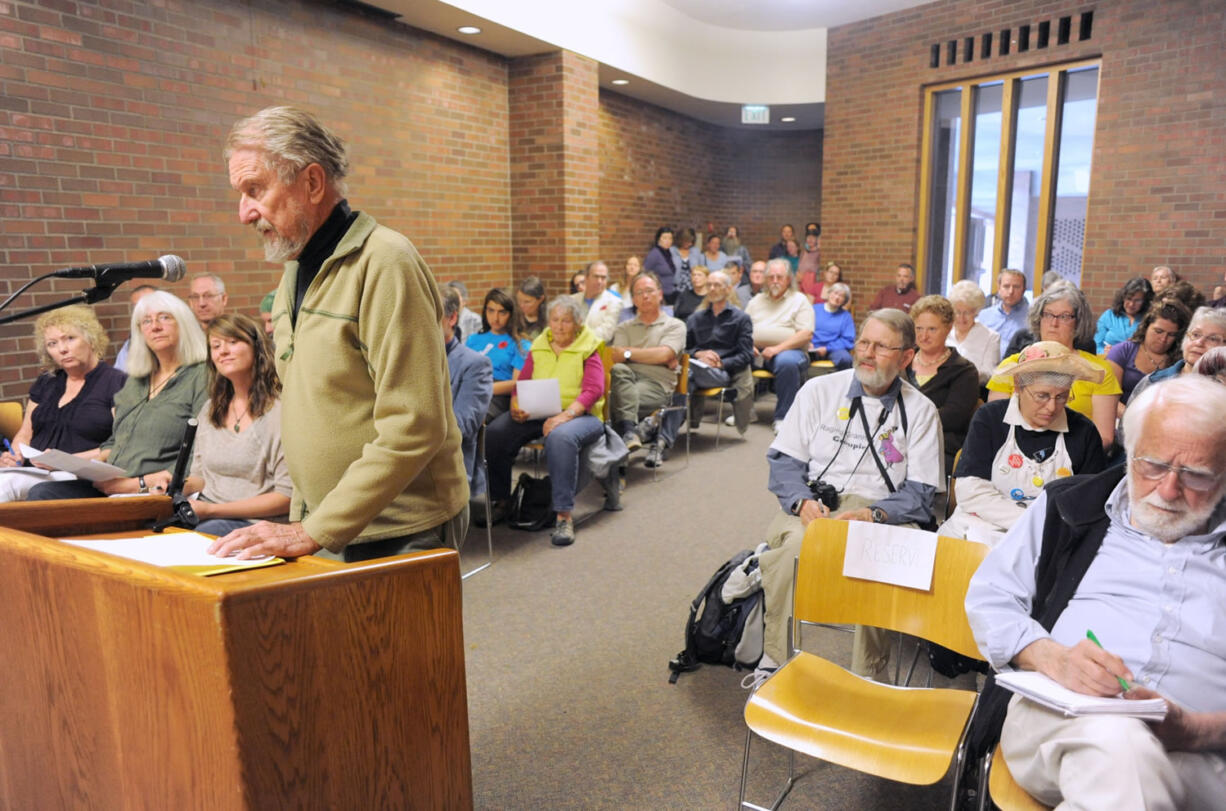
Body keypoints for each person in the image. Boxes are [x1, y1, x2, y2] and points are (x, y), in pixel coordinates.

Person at [211, 105, 468, 562]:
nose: (244, 213)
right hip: (327, 524)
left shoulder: (386, 262)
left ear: (311, 182)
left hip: (399, 526)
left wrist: (316, 529)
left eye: (255, 190)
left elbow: (416, 425)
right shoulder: (295, 269)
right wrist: (304, 518)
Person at [964, 376, 1226, 809]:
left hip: (1207, 753)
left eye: (1196, 476)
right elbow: (991, 599)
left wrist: (1198, 730)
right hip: (1064, 722)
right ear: (1128, 453)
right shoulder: (1071, 508)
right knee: (1118, 743)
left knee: (1119, 784)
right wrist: (1054, 657)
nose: (1168, 490)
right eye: (1153, 465)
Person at [756, 308, 943, 681]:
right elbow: (784, 461)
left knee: (877, 561)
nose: (867, 354)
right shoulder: (819, 390)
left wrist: (871, 515)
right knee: (793, 549)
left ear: (907, 357)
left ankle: (869, 676)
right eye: (863, 343)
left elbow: (922, 494)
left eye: (881, 347)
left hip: (884, 512)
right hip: (818, 505)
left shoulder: (921, 411)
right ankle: (774, 660)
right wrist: (802, 501)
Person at [27, 291, 208, 501]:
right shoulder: (138, 380)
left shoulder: (201, 376)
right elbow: (116, 441)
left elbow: (200, 454)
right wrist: (65, 461)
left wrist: (136, 484)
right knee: (42, 493)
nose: (155, 326)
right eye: (146, 321)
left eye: (165, 317)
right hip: (112, 482)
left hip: (153, 489)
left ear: (184, 323)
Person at [938, 342, 1108, 546]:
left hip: (1047, 537)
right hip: (980, 528)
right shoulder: (991, 418)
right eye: (1042, 396)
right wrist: (1028, 522)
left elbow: (1089, 502)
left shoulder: (1084, 431)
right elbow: (970, 491)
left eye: (1062, 397)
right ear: (1018, 386)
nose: (1052, 407)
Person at [141, 314, 292, 536]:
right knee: (143, 532)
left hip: (256, 522)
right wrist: (176, 485)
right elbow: (202, 477)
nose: (223, 351)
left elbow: (286, 498)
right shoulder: (211, 409)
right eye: (216, 345)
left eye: (233, 342)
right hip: (208, 513)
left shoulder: (281, 412)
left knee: (186, 541)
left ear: (257, 348)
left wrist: (212, 510)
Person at [484, 297, 606, 547]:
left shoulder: (588, 346)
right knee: (496, 432)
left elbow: (594, 390)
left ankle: (563, 515)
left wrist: (565, 415)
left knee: (560, 437)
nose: (559, 326)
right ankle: (501, 500)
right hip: (540, 410)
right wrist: (516, 405)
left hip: (581, 414)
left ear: (578, 323)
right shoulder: (540, 344)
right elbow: (524, 381)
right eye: (554, 320)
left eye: (566, 321)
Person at [0, 305, 127, 501]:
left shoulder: (116, 382)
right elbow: (25, 434)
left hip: (82, 476)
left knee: (6, 487)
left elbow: (122, 445)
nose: (62, 349)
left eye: (70, 338)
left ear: (91, 338)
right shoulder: (47, 381)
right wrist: (14, 456)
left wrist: (64, 462)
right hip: (35, 471)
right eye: (52, 343)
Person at [988, 285, 1121, 450]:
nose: (1054, 323)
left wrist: (1067, 456)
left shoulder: (1098, 370)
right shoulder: (1012, 366)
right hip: (1015, 453)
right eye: (1048, 314)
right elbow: (995, 425)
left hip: (1077, 458)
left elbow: (1104, 436)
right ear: (1039, 318)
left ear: (1078, 323)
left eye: (1065, 316)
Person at [608, 272, 686, 469]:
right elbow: (616, 357)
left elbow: (664, 355)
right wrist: (652, 355)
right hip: (625, 380)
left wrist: (628, 354)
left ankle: (617, 467)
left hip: (656, 386)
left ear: (660, 294)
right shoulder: (624, 327)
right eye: (639, 293)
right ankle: (630, 434)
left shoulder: (675, 325)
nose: (645, 296)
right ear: (633, 299)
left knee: (613, 404)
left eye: (650, 291)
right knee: (618, 371)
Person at [907, 295, 980, 474]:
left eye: (932, 329)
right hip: (894, 442)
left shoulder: (964, 371)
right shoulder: (902, 362)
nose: (923, 336)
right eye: (919, 328)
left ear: (948, 328)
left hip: (939, 448)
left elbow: (953, 417)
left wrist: (904, 422)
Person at [745, 259, 815, 432]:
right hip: (757, 351)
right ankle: (745, 412)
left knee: (787, 363)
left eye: (780, 277)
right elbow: (743, 328)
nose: (775, 281)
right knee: (738, 358)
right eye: (771, 277)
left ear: (788, 279)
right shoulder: (756, 301)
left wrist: (777, 348)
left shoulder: (800, 300)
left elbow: (806, 334)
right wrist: (747, 344)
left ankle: (783, 417)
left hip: (791, 351)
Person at [686, 269, 754, 435]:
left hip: (722, 373)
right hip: (696, 368)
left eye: (717, 285)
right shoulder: (696, 318)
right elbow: (685, 348)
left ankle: (665, 425)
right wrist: (698, 354)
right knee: (686, 375)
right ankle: (669, 429)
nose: (712, 289)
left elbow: (747, 355)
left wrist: (721, 363)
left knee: (686, 374)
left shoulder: (740, 319)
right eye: (709, 285)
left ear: (728, 289)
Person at [441, 287, 493, 501]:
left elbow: (462, 427)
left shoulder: (475, 364)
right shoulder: (410, 360)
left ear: (452, 318)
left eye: (430, 316)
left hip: (449, 462)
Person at [1128, 306, 1226, 405]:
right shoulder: (1153, 382)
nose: (1199, 342)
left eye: (1213, 339)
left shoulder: (1221, 389)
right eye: (1196, 334)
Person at [1105, 299, 1189, 405]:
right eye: (1158, 331)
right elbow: (1109, 399)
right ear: (1146, 327)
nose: (1163, 339)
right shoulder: (1122, 351)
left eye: (1171, 335)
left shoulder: (1181, 361)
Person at [466, 288, 530, 421]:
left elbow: (517, 383)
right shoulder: (473, 339)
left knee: (466, 416)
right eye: (491, 311)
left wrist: (484, 388)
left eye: (502, 312)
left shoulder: (521, 344)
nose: (495, 318)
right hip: (470, 389)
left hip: (498, 396)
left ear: (512, 314)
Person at [946, 279, 1001, 387]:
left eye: (967, 312)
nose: (961, 317)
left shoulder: (991, 337)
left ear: (976, 312)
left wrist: (962, 377)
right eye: (957, 312)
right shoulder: (944, 333)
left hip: (973, 389)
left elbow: (989, 373)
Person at [977, 269, 1030, 360]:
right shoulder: (983, 316)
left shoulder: (1032, 317)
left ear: (1024, 290)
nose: (1011, 291)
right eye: (1006, 286)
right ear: (999, 288)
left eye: (1016, 287)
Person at [1095, 277, 1153, 354]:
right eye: (1129, 299)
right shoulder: (1109, 315)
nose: (1131, 304)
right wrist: (1104, 351)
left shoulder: (1150, 319)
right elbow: (1096, 344)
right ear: (1123, 297)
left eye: (1137, 300)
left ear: (1145, 301)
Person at [571, 260, 623, 343]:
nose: (599, 281)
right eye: (596, 277)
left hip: (599, 352)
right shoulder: (572, 300)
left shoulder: (614, 302)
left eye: (603, 278)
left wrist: (578, 337)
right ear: (586, 278)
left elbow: (606, 333)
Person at [809, 282, 855, 370]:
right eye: (835, 293)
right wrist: (807, 343)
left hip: (834, 350)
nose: (837, 297)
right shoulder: (814, 309)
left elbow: (848, 340)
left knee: (846, 359)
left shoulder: (846, 316)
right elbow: (803, 329)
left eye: (841, 296)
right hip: (812, 348)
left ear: (844, 301)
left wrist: (827, 348)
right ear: (829, 293)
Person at [113, 284, 158, 372]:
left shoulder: (177, 334)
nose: (143, 311)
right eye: (137, 307)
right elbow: (121, 377)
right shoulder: (130, 345)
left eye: (147, 304)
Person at [643, 226, 678, 304]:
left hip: (670, 292)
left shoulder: (668, 253)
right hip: (660, 295)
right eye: (665, 238)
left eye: (670, 238)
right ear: (659, 239)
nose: (668, 241)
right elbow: (644, 272)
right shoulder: (655, 254)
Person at [671, 227, 701, 296]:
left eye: (691, 241)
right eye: (687, 241)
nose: (690, 244)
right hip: (676, 287)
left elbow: (700, 268)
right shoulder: (672, 251)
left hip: (692, 287)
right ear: (681, 240)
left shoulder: (695, 251)